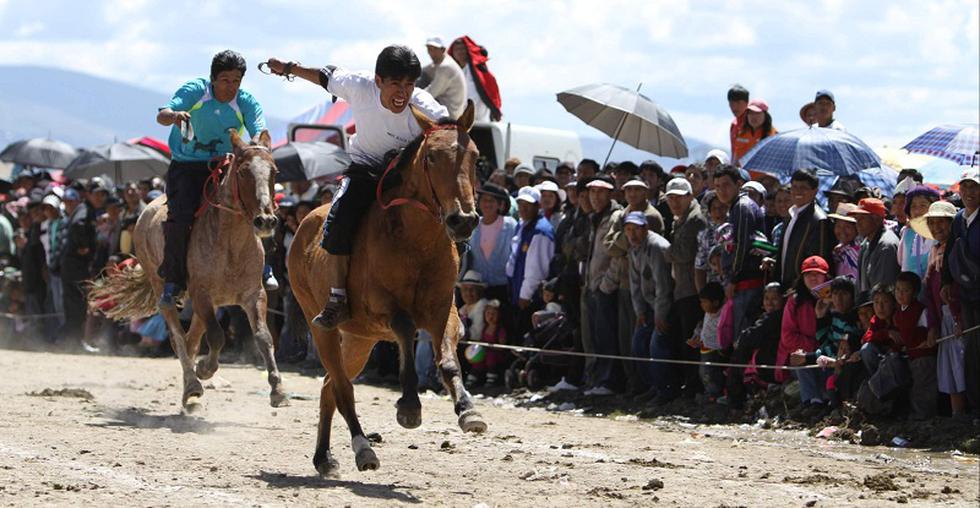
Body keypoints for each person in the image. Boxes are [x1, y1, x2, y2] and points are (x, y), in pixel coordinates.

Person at [264, 45, 449, 329]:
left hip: (405, 176)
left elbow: (451, 131)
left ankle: (447, 296)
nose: (402, 93)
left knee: (450, 220)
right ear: (378, 82)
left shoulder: (425, 106)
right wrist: (288, 68)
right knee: (339, 220)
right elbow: (323, 76)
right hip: (366, 168)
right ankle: (337, 298)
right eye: (395, 84)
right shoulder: (359, 86)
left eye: (409, 85)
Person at [155, 50, 268, 307]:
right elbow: (162, 115)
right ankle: (173, 281)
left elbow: (259, 133)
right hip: (187, 167)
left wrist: (258, 146)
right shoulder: (196, 91)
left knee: (261, 205)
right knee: (181, 216)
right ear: (213, 79)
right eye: (226, 80)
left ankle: (265, 267)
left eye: (236, 81)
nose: (231, 87)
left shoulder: (247, 102)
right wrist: (174, 116)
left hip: (225, 165)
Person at [923, 201, 967, 418]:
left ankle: (968, 413)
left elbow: (957, 288)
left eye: (941, 222)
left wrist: (958, 317)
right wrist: (932, 326)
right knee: (950, 366)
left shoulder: (959, 248)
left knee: (962, 363)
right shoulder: (933, 252)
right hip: (944, 316)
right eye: (932, 222)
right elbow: (930, 293)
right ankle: (956, 414)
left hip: (958, 313)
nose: (936, 227)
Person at [941, 168, 979, 417]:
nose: (968, 192)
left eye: (974, 187)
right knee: (971, 350)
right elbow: (948, 255)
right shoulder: (958, 219)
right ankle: (975, 408)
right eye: (964, 187)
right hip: (965, 293)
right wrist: (946, 281)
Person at [624, 211, 673, 399]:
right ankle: (651, 387)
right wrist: (640, 311)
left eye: (635, 229)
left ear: (645, 229)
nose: (632, 234)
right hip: (648, 306)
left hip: (665, 305)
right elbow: (634, 283)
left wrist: (660, 315)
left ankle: (664, 390)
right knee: (638, 343)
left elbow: (663, 285)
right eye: (628, 230)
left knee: (657, 346)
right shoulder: (633, 248)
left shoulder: (655, 246)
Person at [715, 165, 766, 339]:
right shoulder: (736, 207)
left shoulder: (743, 207)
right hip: (741, 283)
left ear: (739, 184)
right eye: (717, 186)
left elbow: (743, 245)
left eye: (726, 185)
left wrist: (733, 279)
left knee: (741, 337)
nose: (722, 190)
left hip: (746, 283)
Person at [583, 177, 622, 395]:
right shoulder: (594, 217)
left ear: (610, 194)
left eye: (601, 192)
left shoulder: (615, 217)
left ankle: (608, 382)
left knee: (607, 336)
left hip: (604, 286)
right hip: (591, 284)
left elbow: (616, 254)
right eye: (592, 192)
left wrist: (606, 283)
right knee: (595, 336)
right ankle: (596, 379)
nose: (595, 197)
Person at [777, 256, 829, 404]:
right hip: (805, 354)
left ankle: (827, 398)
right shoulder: (794, 301)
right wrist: (811, 351)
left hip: (828, 351)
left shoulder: (833, 298)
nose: (813, 278)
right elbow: (788, 336)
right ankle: (812, 401)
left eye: (817, 274)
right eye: (808, 274)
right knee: (800, 360)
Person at [772, 169, 834, 289]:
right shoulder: (791, 215)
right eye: (794, 187)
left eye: (803, 187)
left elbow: (820, 261)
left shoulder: (819, 220)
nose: (798, 191)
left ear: (815, 191)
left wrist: (801, 288)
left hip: (802, 291)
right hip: (784, 287)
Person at [506, 186, 555, 336]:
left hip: (529, 296)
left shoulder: (540, 231)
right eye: (520, 204)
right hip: (516, 288)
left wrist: (525, 295)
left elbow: (536, 269)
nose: (523, 208)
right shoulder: (523, 225)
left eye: (528, 205)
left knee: (525, 334)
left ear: (537, 206)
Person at [727, 282, 784, 410]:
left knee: (738, 356)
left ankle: (736, 402)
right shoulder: (768, 316)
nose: (770, 303)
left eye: (774, 299)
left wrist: (741, 341)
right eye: (767, 298)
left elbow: (752, 336)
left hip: (771, 360)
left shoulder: (776, 317)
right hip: (766, 357)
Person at [893, 271, 937, 420]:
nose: (900, 294)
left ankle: (923, 417)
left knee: (923, 388)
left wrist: (930, 335)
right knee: (915, 387)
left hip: (924, 357)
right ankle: (916, 416)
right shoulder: (899, 311)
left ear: (915, 292)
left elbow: (931, 327)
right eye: (898, 289)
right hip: (912, 357)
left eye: (905, 290)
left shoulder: (920, 310)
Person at [466, 183, 518, 305]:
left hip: (503, 286)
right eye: (484, 200)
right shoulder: (473, 225)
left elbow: (516, 255)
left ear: (499, 204)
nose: (487, 204)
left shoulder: (510, 225)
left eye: (491, 201)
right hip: (478, 288)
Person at [850, 198, 900, 293]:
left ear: (877, 219)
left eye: (862, 218)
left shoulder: (886, 246)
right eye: (856, 219)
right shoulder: (866, 243)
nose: (858, 223)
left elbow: (882, 293)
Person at [688, 282, 727, 401]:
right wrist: (697, 336)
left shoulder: (723, 314)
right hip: (704, 348)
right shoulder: (707, 313)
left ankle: (714, 394)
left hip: (715, 351)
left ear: (715, 302)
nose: (702, 305)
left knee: (710, 373)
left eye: (704, 302)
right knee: (703, 372)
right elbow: (702, 327)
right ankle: (709, 392)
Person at [450, 36, 501, 122]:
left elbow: (491, 89)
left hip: (479, 120)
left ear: (467, 50)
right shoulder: (452, 73)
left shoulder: (479, 70)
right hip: (458, 120)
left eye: (462, 49)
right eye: (457, 49)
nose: (459, 52)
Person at [897, 184, 940, 282]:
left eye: (923, 205)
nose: (917, 211)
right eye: (913, 206)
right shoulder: (907, 233)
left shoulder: (941, 235)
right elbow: (900, 261)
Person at [417, 36, 467, 119]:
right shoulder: (441, 63)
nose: (431, 53)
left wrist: (410, 97)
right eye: (429, 49)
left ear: (443, 50)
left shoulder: (446, 67)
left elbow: (430, 93)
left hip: (450, 114)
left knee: (418, 97)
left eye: (434, 49)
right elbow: (423, 70)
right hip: (447, 108)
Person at [732, 98, 776, 166]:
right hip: (742, 175)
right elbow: (735, 159)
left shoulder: (773, 136)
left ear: (765, 115)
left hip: (764, 175)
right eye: (751, 113)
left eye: (757, 113)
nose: (753, 117)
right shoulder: (740, 133)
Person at [828, 203, 861, 281]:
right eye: (838, 226)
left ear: (856, 228)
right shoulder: (839, 250)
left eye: (847, 227)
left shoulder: (859, 251)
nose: (842, 231)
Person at [456, 270, 488, 343]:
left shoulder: (482, 305)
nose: (468, 293)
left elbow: (477, 335)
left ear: (480, 291)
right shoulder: (463, 309)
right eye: (465, 289)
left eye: (472, 289)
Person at [727, 84, 749, 159]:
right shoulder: (734, 125)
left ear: (747, 103)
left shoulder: (754, 123)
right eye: (731, 103)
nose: (734, 107)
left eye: (738, 103)